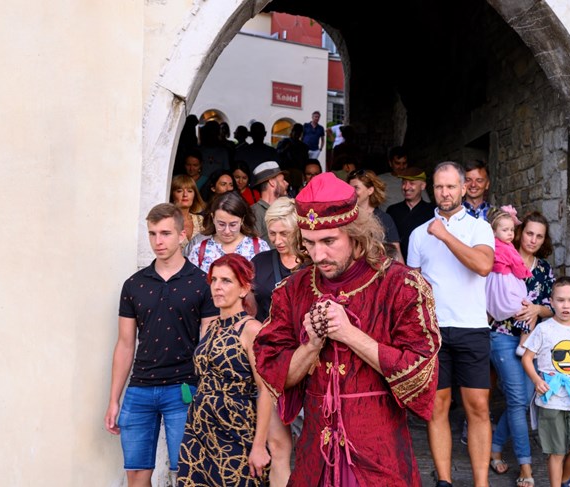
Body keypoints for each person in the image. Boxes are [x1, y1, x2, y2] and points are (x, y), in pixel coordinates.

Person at [253, 172, 441, 487]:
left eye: (329, 241)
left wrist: (349, 334)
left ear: (355, 233)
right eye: (310, 243)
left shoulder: (400, 284)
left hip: (378, 456)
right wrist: (311, 345)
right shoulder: (292, 290)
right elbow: (273, 371)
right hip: (316, 458)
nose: (318, 255)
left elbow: (421, 371)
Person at [104, 203, 218, 486]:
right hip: (140, 390)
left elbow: (208, 345)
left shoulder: (203, 284)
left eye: (166, 233)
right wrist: (113, 400)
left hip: (185, 389)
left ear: (182, 235)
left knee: (188, 473)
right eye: (153, 233)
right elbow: (125, 344)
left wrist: (207, 395)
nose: (158, 241)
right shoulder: (134, 284)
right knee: (136, 474)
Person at [407, 161, 495, 487]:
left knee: (478, 408)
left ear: (462, 189)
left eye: (450, 186)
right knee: (437, 408)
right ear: (434, 190)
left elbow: (483, 265)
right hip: (433, 332)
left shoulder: (479, 228)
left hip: (472, 328)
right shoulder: (418, 235)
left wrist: (444, 235)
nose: (444, 193)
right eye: (439, 187)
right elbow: (415, 285)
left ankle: (481, 483)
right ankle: (444, 481)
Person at [177, 254, 271, 486]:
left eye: (226, 281)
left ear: (243, 288)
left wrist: (259, 445)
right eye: (214, 280)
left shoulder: (252, 329)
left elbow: (266, 390)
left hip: (236, 429)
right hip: (199, 430)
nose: (217, 287)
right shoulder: (211, 326)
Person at [489, 211, 555, 486]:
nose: (533, 239)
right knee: (517, 399)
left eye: (539, 236)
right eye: (529, 233)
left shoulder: (543, 269)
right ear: (519, 232)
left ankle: (494, 447)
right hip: (503, 335)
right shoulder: (501, 256)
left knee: (524, 399)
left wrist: (539, 308)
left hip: (533, 342)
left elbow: (555, 306)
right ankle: (526, 466)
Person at [521, 276, 570, 487]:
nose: (566, 305)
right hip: (551, 396)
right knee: (556, 451)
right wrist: (536, 380)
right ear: (552, 302)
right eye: (561, 300)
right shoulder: (543, 330)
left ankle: (565, 479)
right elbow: (527, 359)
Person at [251, 197, 302, 487]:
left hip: (308, 364)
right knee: (279, 447)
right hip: (271, 367)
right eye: (272, 233)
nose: (278, 239)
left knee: (313, 445)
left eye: (284, 233)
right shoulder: (260, 263)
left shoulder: (314, 262)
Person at [187, 191, 269, 273]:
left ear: (242, 220)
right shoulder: (199, 250)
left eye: (233, 225)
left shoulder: (259, 247)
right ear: (213, 218)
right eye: (221, 224)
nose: (227, 231)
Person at [485, 206, 531, 324]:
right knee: (513, 299)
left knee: (493, 300)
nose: (510, 233)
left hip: (492, 279)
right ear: (494, 231)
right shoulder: (507, 249)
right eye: (505, 230)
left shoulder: (491, 244)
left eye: (512, 230)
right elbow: (517, 265)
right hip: (503, 278)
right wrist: (524, 272)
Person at [347, 168, 404, 263]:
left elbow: (397, 256)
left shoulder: (384, 219)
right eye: (350, 188)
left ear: (370, 190)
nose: (352, 192)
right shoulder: (346, 218)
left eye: (356, 188)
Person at [386, 167, 436, 262]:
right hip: (398, 264)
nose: (406, 187)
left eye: (412, 183)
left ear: (423, 186)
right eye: (404, 183)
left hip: (426, 265)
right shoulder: (392, 210)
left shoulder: (432, 211)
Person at [250, 161, 289, 245]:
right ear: (272, 182)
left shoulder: (285, 208)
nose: (286, 183)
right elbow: (254, 246)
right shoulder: (255, 212)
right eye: (282, 180)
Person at [379, 146, 428, 210]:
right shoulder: (379, 180)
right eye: (397, 163)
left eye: (404, 163)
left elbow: (427, 203)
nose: (401, 167)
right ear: (390, 163)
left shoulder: (415, 180)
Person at [169, 175, 206, 251]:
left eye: (189, 191)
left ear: (194, 195)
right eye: (179, 191)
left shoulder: (201, 220)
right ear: (172, 195)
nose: (185, 195)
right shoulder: (167, 221)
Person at [276, 123, 309, 193]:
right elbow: (278, 154)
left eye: (299, 132)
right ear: (292, 131)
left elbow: (305, 161)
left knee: (297, 191)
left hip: (297, 172)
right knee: (285, 190)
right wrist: (285, 149)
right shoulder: (285, 142)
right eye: (296, 131)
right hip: (286, 171)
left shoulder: (303, 146)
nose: (297, 134)